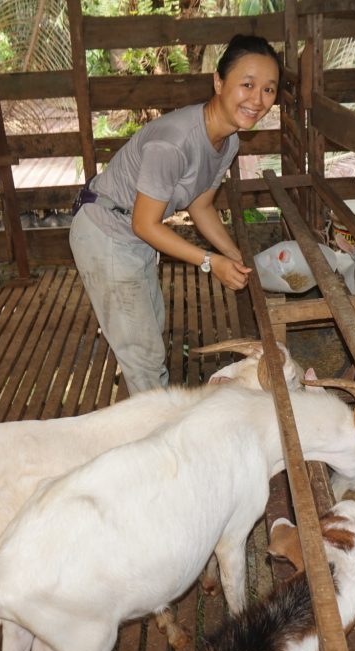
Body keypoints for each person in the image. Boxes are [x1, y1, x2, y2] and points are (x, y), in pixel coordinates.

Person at [70, 35, 281, 394]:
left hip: (133, 237)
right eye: (247, 85)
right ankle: (155, 434)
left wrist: (234, 255)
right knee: (144, 357)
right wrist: (210, 261)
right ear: (218, 82)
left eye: (269, 89)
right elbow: (144, 222)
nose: (257, 100)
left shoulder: (227, 140)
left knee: (152, 333)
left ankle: (156, 416)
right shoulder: (175, 142)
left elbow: (200, 205)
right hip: (107, 232)